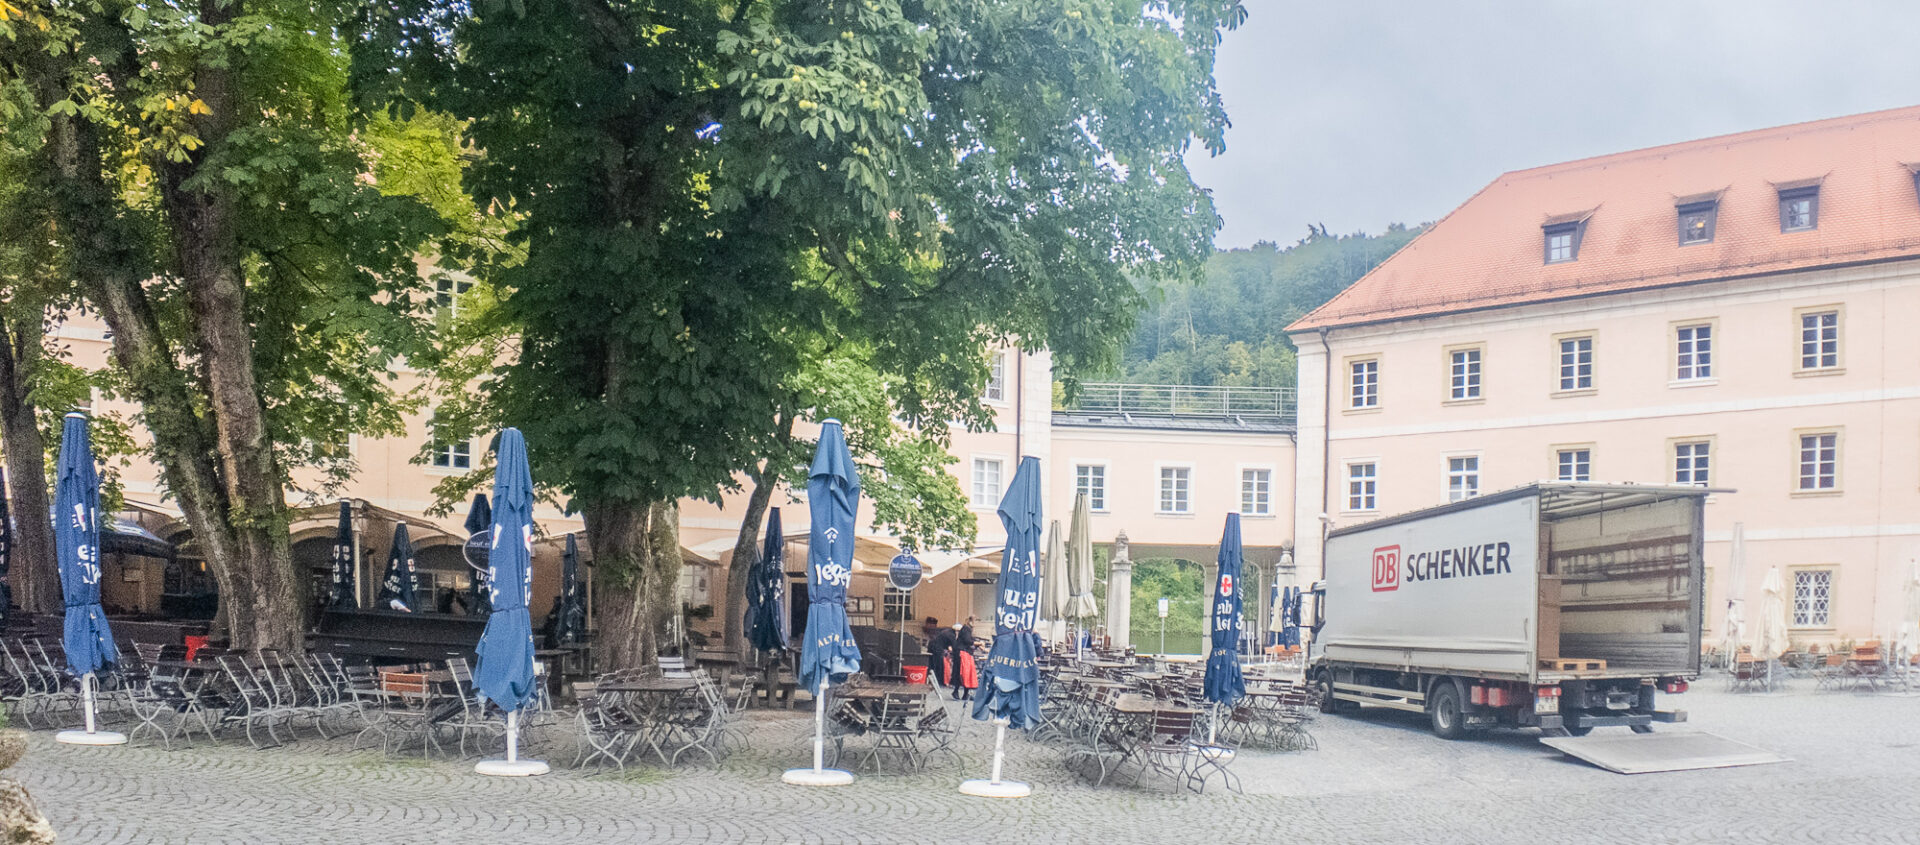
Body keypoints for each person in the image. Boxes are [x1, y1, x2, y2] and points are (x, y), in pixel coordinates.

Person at [950, 617, 977, 699]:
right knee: (963, 673)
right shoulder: (966, 629)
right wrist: (978, 643)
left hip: (963, 653)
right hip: (963, 654)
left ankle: (964, 693)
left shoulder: (966, 629)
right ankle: (960, 692)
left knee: (963, 673)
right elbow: (967, 641)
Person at [926, 619, 956, 687]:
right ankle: (940, 681)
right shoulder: (951, 635)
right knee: (939, 665)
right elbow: (954, 646)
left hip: (932, 646)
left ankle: (933, 680)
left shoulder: (946, 631)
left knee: (932, 664)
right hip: (937, 649)